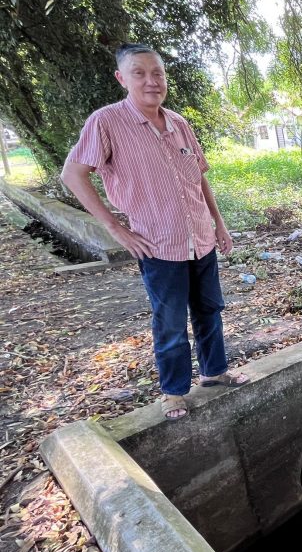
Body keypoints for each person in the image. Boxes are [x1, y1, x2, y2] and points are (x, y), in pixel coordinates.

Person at [61, 43, 248, 420]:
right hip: (158, 245)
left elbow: (199, 179)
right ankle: (174, 392)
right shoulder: (107, 122)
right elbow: (72, 174)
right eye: (140, 73)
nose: (151, 81)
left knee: (210, 310)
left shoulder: (179, 122)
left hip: (201, 239)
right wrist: (115, 229)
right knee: (171, 321)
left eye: (157, 73)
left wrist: (220, 224)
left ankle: (214, 372)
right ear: (122, 78)